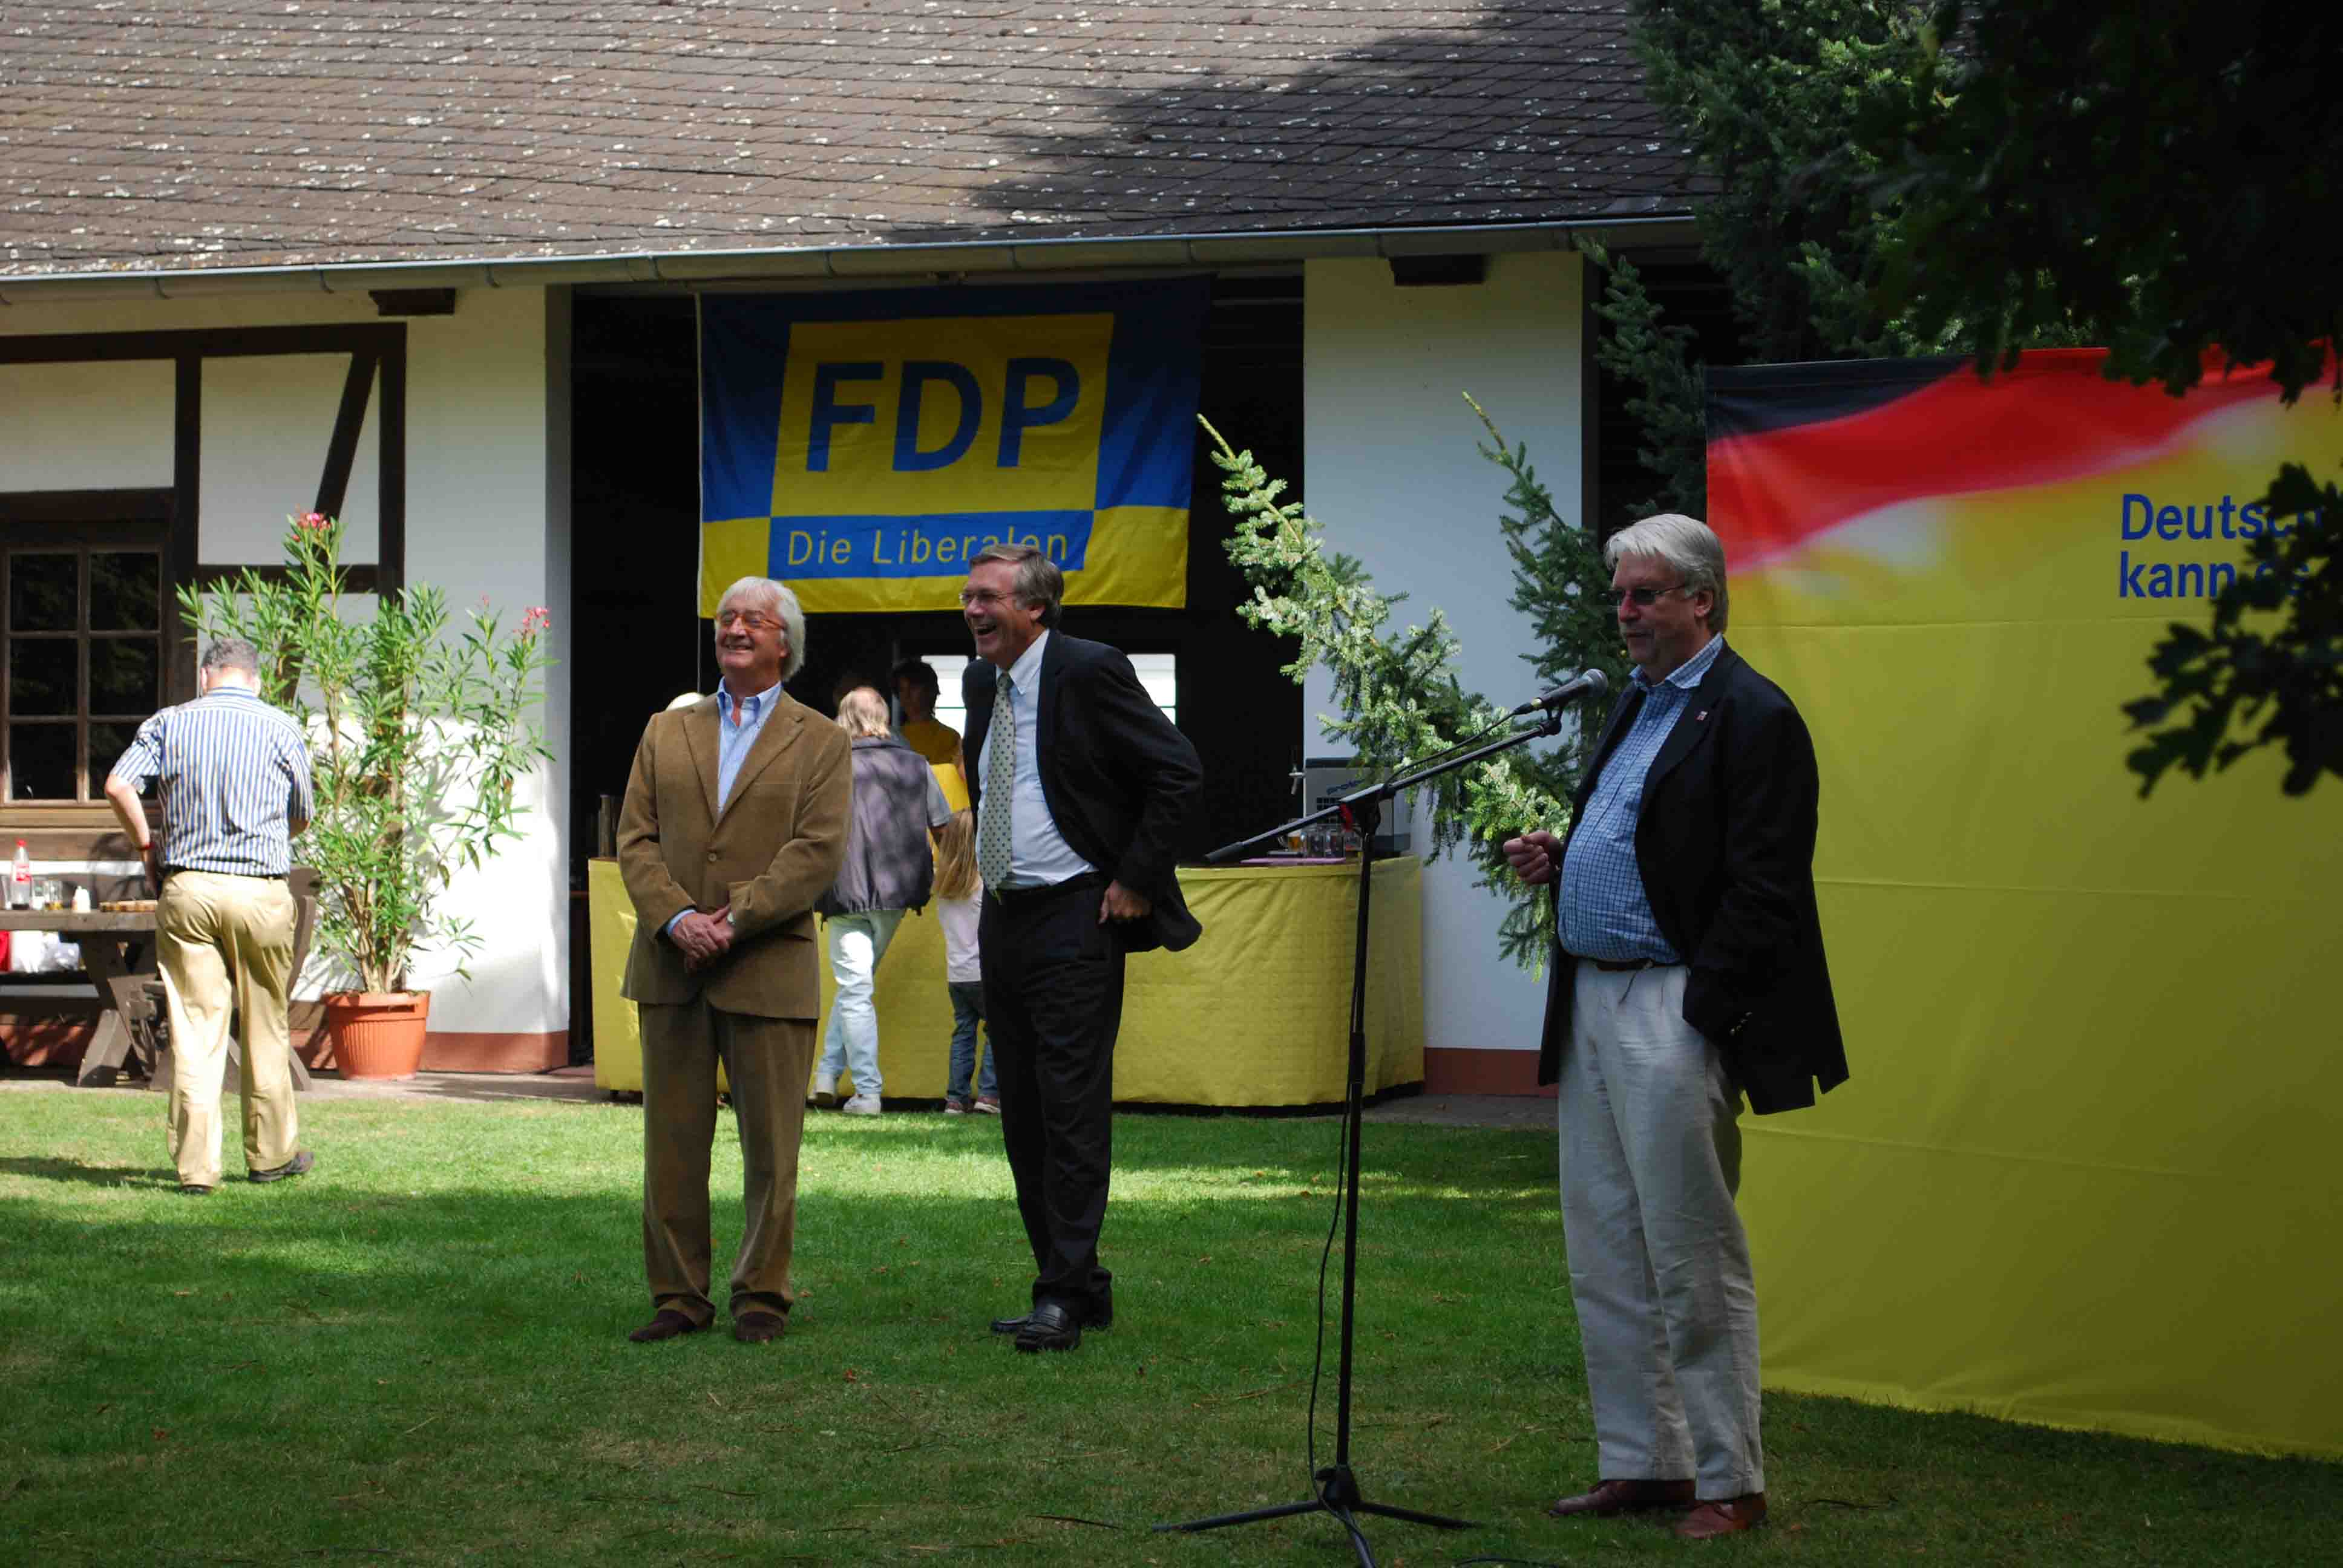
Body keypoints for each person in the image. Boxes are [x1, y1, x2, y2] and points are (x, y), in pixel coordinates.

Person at [1501, 514, 1848, 1541]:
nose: (1625, 613)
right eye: (1620, 595)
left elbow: (1766, 884)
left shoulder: (1753, 712)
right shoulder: (1637, 702)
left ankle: (1730, 1479)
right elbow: (1657, 840)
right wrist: (1565, 857)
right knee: (1605, 1244)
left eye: (1645, 594)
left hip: (1671, 1004)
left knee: (1693, 1251)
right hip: (1593, 1001)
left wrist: (1704, 1009)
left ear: (1702, 598)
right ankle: (1644, 1462)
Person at [960, 542, 1204, 1353]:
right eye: (967, 598)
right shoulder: (981, 683)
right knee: (1024, 1115)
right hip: (1005, 915)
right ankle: (1077, 1285)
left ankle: (1060, 1296)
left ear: (1035, 607)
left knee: (1069, 1109)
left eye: (989, 597)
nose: (973, 611)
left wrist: (1135, 878)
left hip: (1075, 917)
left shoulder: (1090, 669)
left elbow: (1177, 772)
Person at [616, 577, 851, 1346]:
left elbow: (817, 852)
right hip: (671, 968)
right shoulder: (665, 730)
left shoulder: (822, 740)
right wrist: (677, 918)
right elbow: (635, 840)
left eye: (754, 619)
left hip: (768, 967)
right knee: (671, 1147)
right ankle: (677, 1296)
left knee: (772, 1151)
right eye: (726, 617)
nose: (735, 628)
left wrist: (736, 918)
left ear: (786, 643)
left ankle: (761, 1295)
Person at [103, 636, 315, 1195]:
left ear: (204, 677)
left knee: (195, 1028)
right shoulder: (282, 727)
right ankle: (271, 1157)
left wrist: (146, 844)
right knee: (265, 1020)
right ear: (256, 680)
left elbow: (118, 784)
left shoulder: (169, 723)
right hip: (260, 892)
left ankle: (198, 1170)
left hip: (189, 888)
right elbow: (301, 814)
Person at [811, 687, 952, 1116]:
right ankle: (826, 1074)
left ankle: (867, 1092)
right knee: (857, 988)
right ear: (883, 719)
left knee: (854, 990)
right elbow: (943, 827)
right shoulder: (916, 764)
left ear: (843, 719)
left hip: (845, 891)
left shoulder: (828, 766)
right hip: (897, 893)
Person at [930, 808, 997, 1116]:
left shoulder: (943, 887)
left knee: (964, 1033)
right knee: (997, 1032)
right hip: (984, 972)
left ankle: (956, 1099)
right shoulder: (984, 885)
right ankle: (989, 1095)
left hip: (957, 975)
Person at [891, 656, 963, 771]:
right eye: (902, 689)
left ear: (930, 690)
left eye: (913, 688)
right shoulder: (892, 737)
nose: (906, 695)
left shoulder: (950, 738)